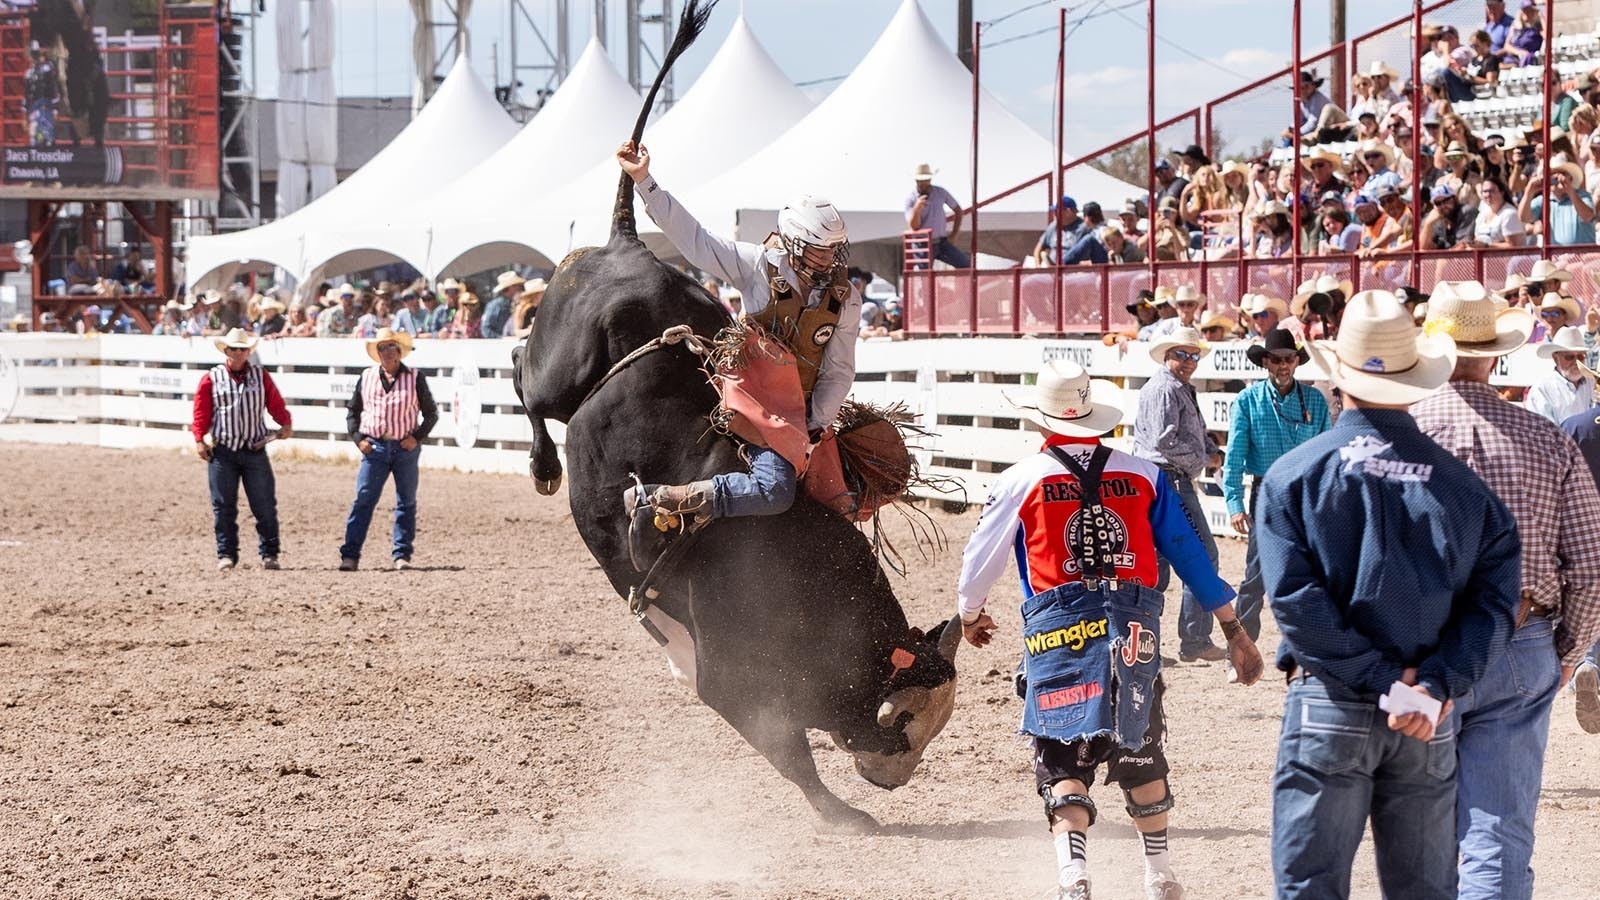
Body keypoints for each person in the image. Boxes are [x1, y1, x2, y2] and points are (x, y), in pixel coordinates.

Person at [956, 359, 1263, 900]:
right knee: (1140, 740)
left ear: (1042, 421)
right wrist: (1234, 629)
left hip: (1059, 627)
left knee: (1062, 746)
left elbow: (981, 557)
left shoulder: (1021, 479)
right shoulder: (1143, 475)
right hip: (1133, 625)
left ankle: (1074, 873)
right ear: (1096, 419)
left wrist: (969, 613)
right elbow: (1190, 556)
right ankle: (1160, 872)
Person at [1257, 289, 1520, 899]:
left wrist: (1382, 680)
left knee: (1310, 887)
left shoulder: (1293, 476)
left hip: (1332, 701)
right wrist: (1432, 683)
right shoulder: (1468, 491)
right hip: (1426, 713)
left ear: (1338, 376)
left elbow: (1297, 604)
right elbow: (1494, 605)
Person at [1409, 280, 1600, 899]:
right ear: (1495, 353)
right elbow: (1591, 561)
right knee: (1498, 830)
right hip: (1521, 640)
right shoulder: (1547, 438)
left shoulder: (1395, 434)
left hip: (1421, 647)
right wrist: (1569, 652)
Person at [616, 139, 861, 534]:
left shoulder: (846, 299)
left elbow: (839, 370)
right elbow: (696, 241)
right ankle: (663, 498)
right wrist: (645, 180)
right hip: (753, 400)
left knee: (847, 502)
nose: (830, 260)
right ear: (796, 243)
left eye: (834, 250)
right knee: (776, 491)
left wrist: (814, 427)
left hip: (803, 415)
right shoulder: (756, 266)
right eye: (820, 251)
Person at [1221, 329, 1331, 642]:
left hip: (1304, 492)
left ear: (1297, 361)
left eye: (1289, 359)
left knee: (1311, 571)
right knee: (1256, 573)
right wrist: (1234, 504)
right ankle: (1241, 647)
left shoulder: (1315, 401)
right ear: (1266, 362)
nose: (1283, 365)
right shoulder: (1247, 401)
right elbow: (1235, 456)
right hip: (1265, 492)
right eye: (1277, 360)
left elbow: (1326, 456)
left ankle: (1308, 646)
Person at [1133, 326, 1227, 663]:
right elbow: (1165, 441)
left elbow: (1173, 437)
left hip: (1159, 480)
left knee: (1157, 565)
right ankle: (1194, 638)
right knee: (1201, 554)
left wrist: (1208, 450)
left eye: (1193, 355)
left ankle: (1147, 646)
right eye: (1182, 354)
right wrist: (1205, 458)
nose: (1189, 361)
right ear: (1168, 355)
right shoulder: (1167, 389)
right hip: (1170, 480)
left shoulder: (1174, 387)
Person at [190, 328, 293, 571]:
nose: (238, 353)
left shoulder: (261, 376)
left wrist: (285, 422)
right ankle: (226, 553)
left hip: (254, 448)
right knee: (223, 505)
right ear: (226, 351)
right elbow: (201, 412)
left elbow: (275, 403)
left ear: (248, 352)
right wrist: (198, 438)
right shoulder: (211, 378)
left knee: (265, 504)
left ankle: (270, 553)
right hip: (223, 450)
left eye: (242, 349)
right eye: (234, 349)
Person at [339, 328, 439, 571]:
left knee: (406, 501)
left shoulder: (415, 377)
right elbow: (353, 411)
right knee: (363, 499)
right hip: (375, 446)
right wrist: (358, 438)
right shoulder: (367, 377)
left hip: (404, 448)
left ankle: (401, 554)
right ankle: (350, 555)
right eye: (382, 348)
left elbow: (431, 413)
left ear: (399, 351)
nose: (386, 352)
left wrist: (416, 437)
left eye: (391, 347)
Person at [1519, 153, 1596, 245]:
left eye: (1562, 174)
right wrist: (1529, 192)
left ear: (1570, 178)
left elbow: (1587, 217)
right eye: (1551, 174)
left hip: (1583, 255)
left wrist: (1570, 191)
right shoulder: (1544, 200)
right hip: (1556, 255)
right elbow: (1524, 218)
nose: (1556, 178)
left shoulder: (1582, 195)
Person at [1526, 326, 1595, 424]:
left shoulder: (1592, 383)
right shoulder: (1543, 388)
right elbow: (1543, 430)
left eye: (1581, 356)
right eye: (1569, 357)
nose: (1577, 362)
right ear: (1555, 358)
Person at [906, 163, 969, 268]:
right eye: (921, 180)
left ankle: (963, 284)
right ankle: (927, 284)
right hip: (922, 243)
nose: (924, 183)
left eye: (926, 179)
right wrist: (916, 209)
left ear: (930, 179)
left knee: (965, 264)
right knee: (925, 275)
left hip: (941, 242)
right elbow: (914, 227)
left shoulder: (940, 192)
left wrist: (954, 234)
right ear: (916, 181)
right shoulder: (911, 199)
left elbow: (958, 211)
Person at [1032, 195, 1086, 266]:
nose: (1055, 214)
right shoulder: (1054, 226)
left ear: (1068, 211)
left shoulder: (1083, 227)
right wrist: (1038, 266)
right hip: (1051, 269)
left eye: (1056, 211)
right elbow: (1038, 250)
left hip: (1074, 270)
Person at [483, 271, 523, 337]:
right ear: (509, 287)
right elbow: (486, 329)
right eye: (516, 285)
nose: (519, 288)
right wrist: (502, 339)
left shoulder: (517, 303)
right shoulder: (494, 306)